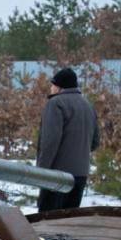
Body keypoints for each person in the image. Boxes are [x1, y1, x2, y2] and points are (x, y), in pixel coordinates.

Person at [35, 67, 99, 212]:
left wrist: (41, 173)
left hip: (57, 176)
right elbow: (95, 142)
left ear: (59, 86)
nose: (51, 88)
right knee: (67, 224)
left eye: (53, 84)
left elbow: (50, 141)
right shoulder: (88, 105)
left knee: (47, 222)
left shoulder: (56, 103)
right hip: (81, 175)